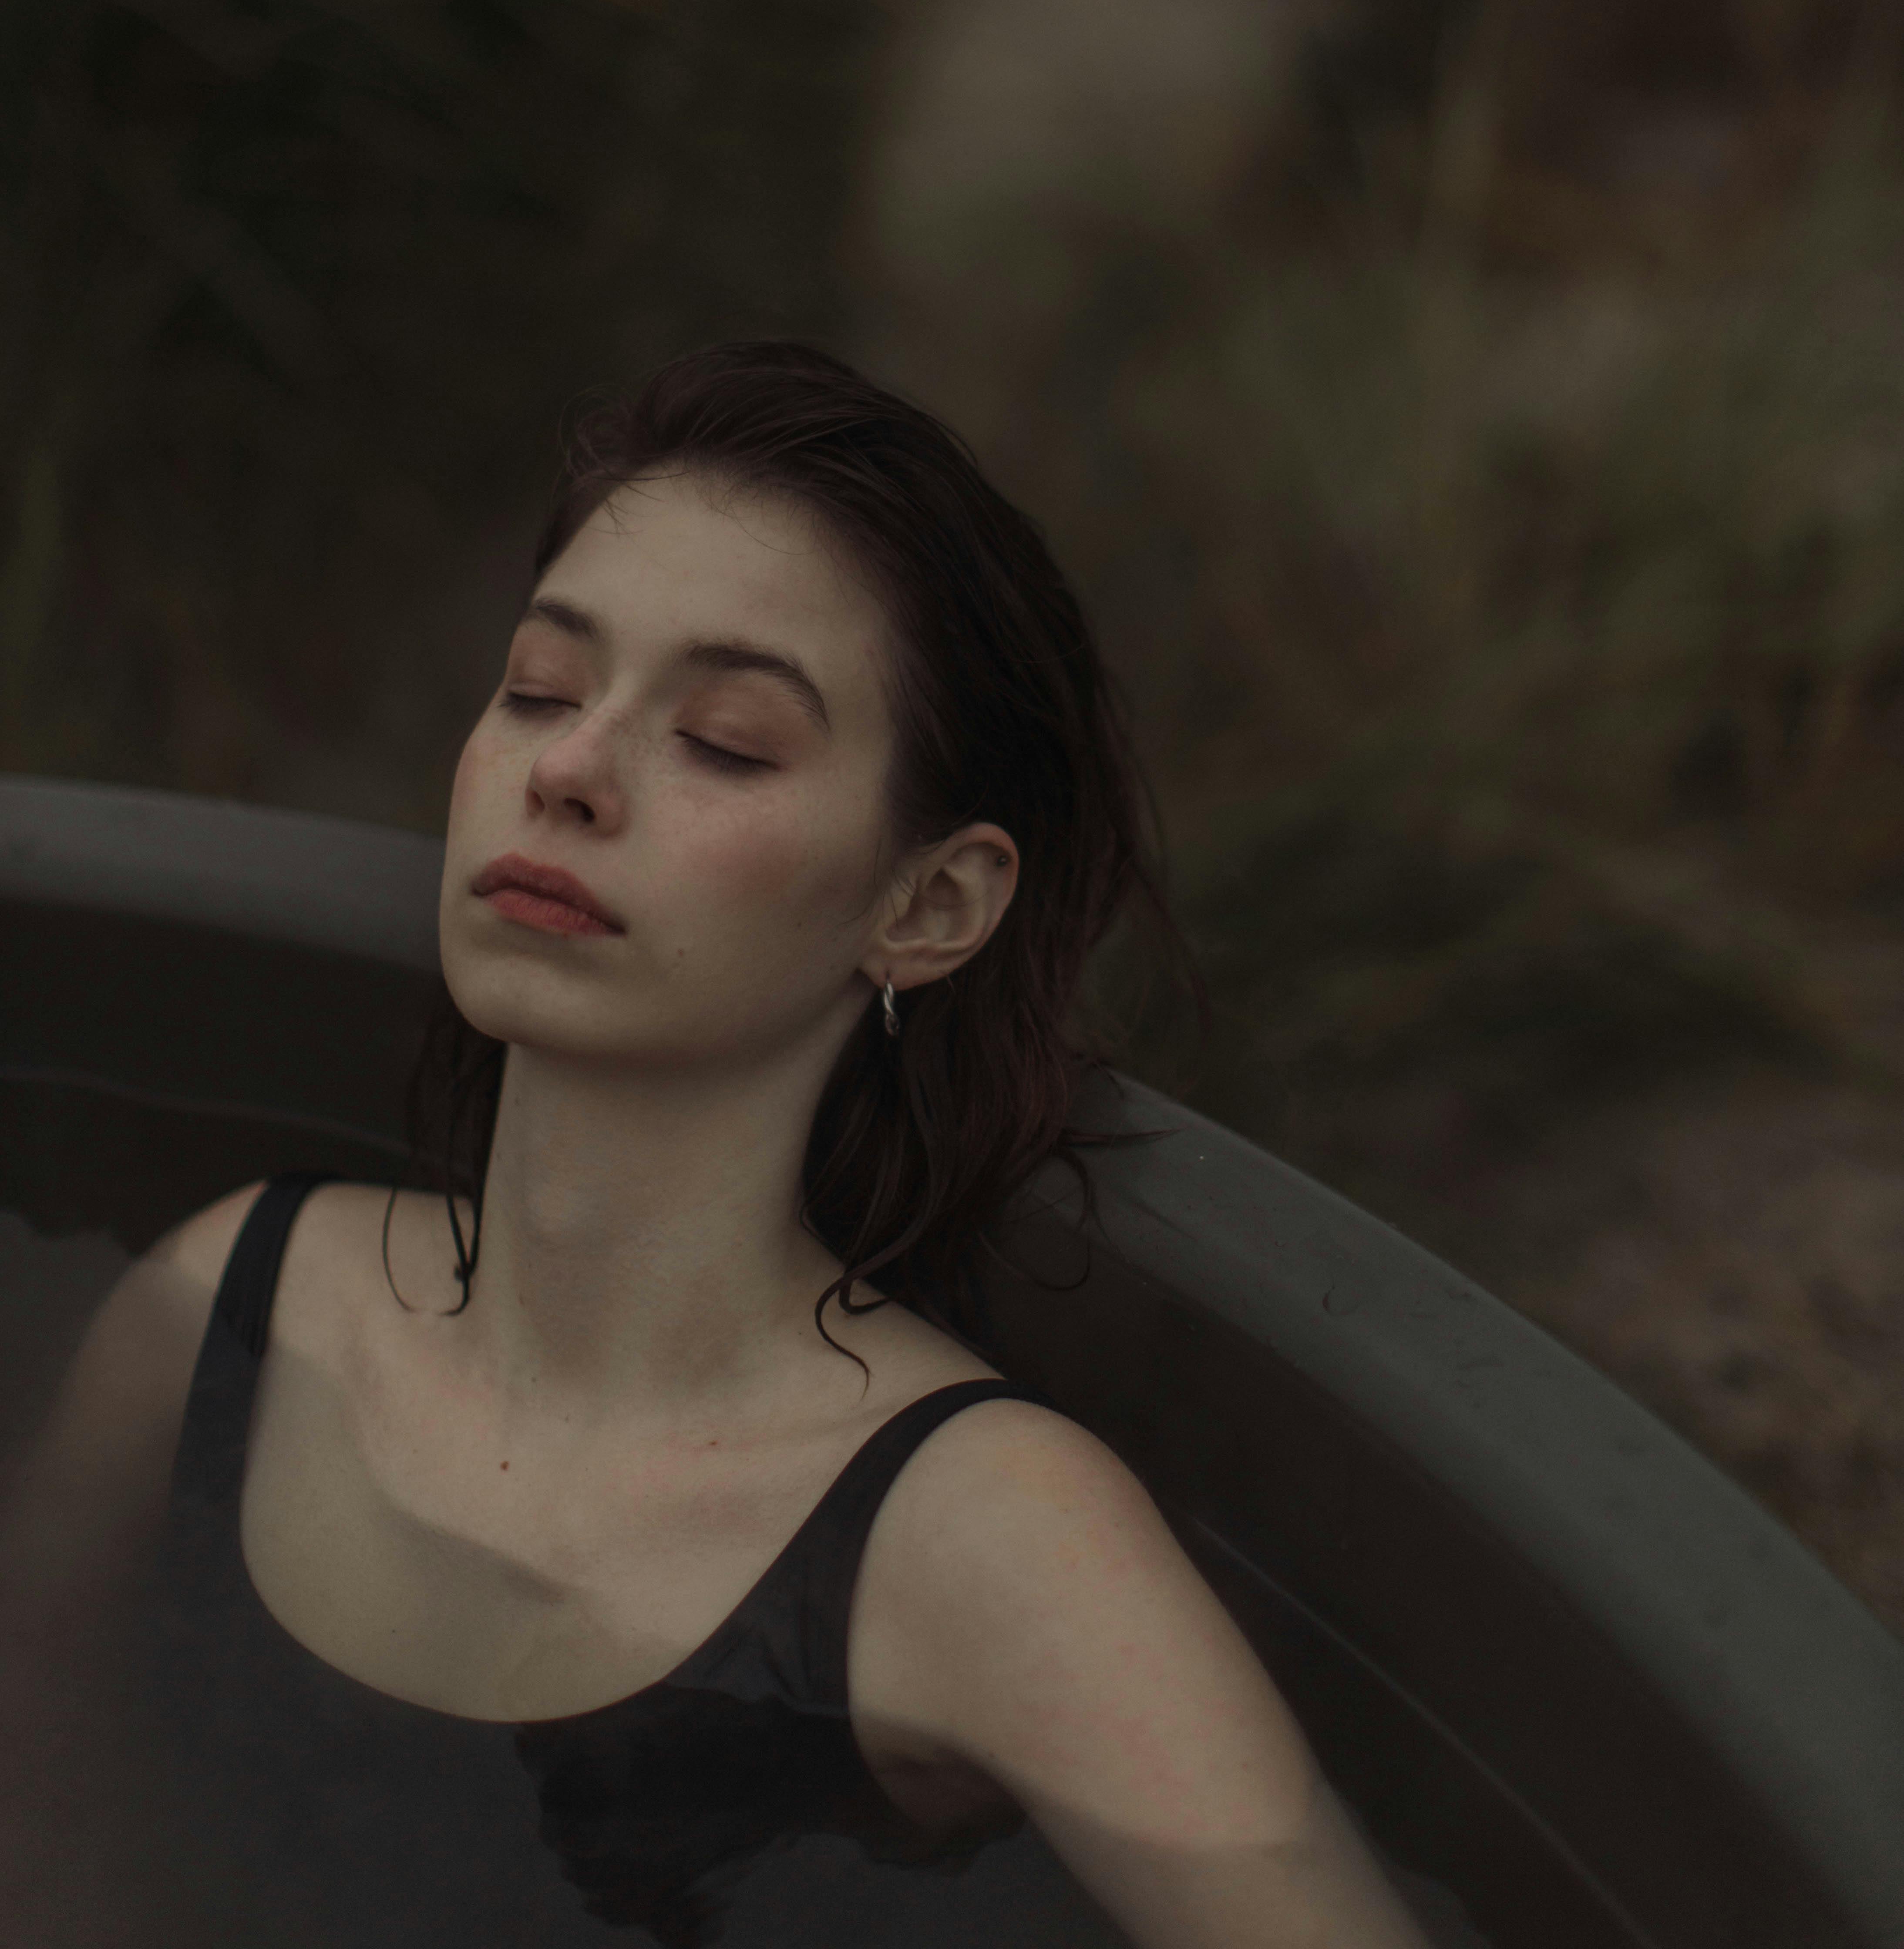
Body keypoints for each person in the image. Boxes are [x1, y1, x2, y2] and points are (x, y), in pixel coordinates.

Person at [0, 342, 1445, 1949]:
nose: (566, 768)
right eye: (543, 687)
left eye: (729, 739)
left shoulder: (989, 1536)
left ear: (930, 905)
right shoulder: (222, 1311)